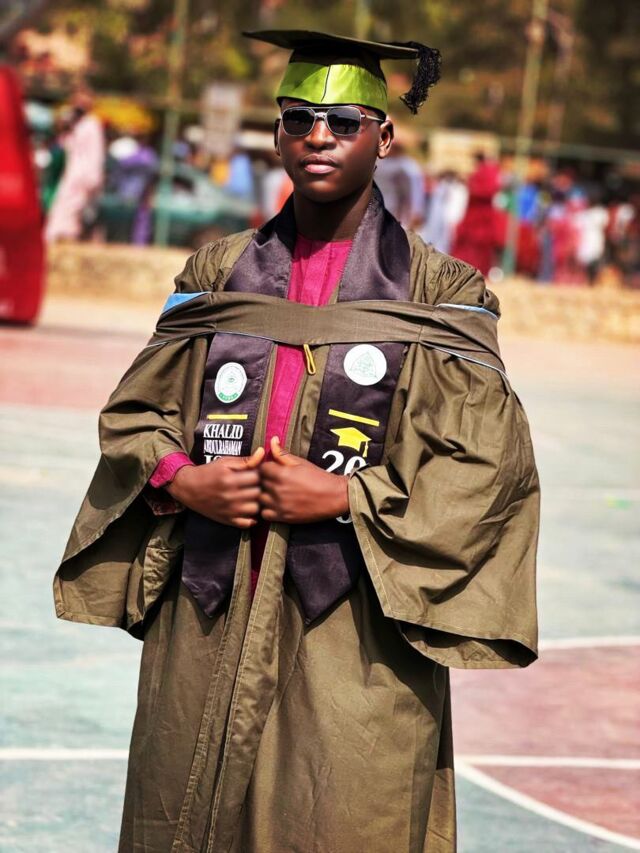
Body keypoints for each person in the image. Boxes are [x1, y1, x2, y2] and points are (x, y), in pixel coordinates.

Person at [54, 30, 539, 853]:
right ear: (277, 135)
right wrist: (182, 478)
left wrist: (345, 495)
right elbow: (138, 413)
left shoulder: (438, 293)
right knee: (184, 813)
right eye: (297, 118)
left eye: (344, 121)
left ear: (385, 137)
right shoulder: (217, 275)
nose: (318, 136)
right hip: (208, 609)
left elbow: (486, 467)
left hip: (353, 622)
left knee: (340, 816)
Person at [44, 88, 105, 243]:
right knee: (64, 203)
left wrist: (94, 176)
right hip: (72, 171)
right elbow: (63, 144)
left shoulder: (92, 124)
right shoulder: (75, 123)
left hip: (85, 173)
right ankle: (58, 235)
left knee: (75, 206)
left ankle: (64, 235)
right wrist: (65, 127)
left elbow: (96, 153)